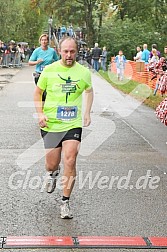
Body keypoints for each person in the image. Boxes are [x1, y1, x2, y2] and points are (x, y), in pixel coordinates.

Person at [34, 36, 93, 219]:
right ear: (59, 51)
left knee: (70, 158)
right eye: (66, 51)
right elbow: (38, 92)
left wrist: (87, 113)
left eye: (72, 51)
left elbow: (89, 91)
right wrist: (40, 113)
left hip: (72, 123)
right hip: (51, 123)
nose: (69, 55)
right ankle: (53, 173)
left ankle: (65, 202)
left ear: (77, 52)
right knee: (51, 163)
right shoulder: (49, 71)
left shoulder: (83, 72)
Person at [29, 34, 59, 101]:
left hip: (49, 74)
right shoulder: (37, 51)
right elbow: (30, 62)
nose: (44, 42)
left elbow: (58, 61)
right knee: (42, 93)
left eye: (45, 40)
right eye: (42, 40)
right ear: (40, 41)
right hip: (39, 74)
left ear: (48, 41)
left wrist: (52, 65)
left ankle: (48, 108)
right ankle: (41, 109)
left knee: (48, 92)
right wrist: (37, 62)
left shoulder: (52, 51)